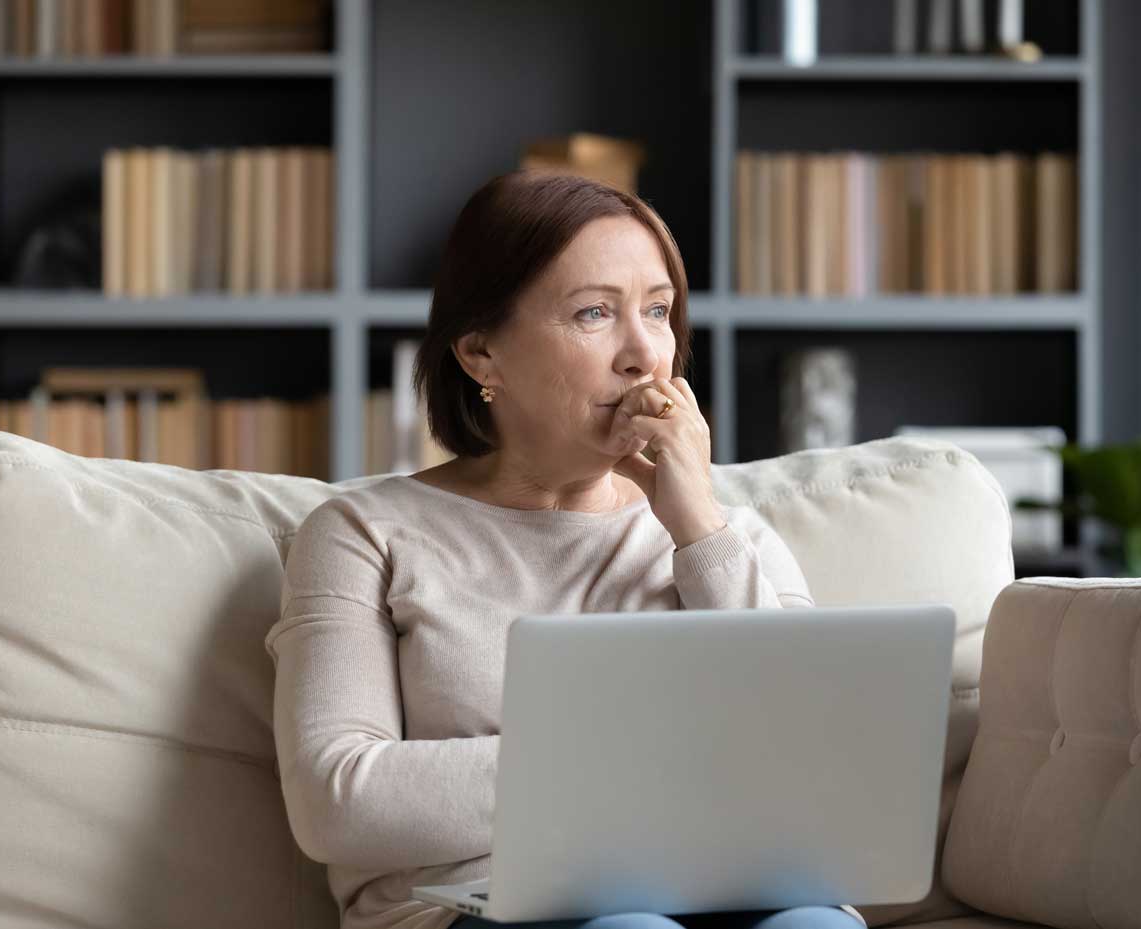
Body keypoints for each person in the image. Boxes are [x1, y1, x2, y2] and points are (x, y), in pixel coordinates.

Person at [265, 170, 865, 929]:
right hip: (484, 908)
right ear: (482, 353)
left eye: (657, 310)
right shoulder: (361, 534)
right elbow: (337, 800)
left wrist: (698, 532)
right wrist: (652, 766)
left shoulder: (722, 535)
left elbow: (810, 775)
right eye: (594, 313)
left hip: (722, 891)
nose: (645, 354)